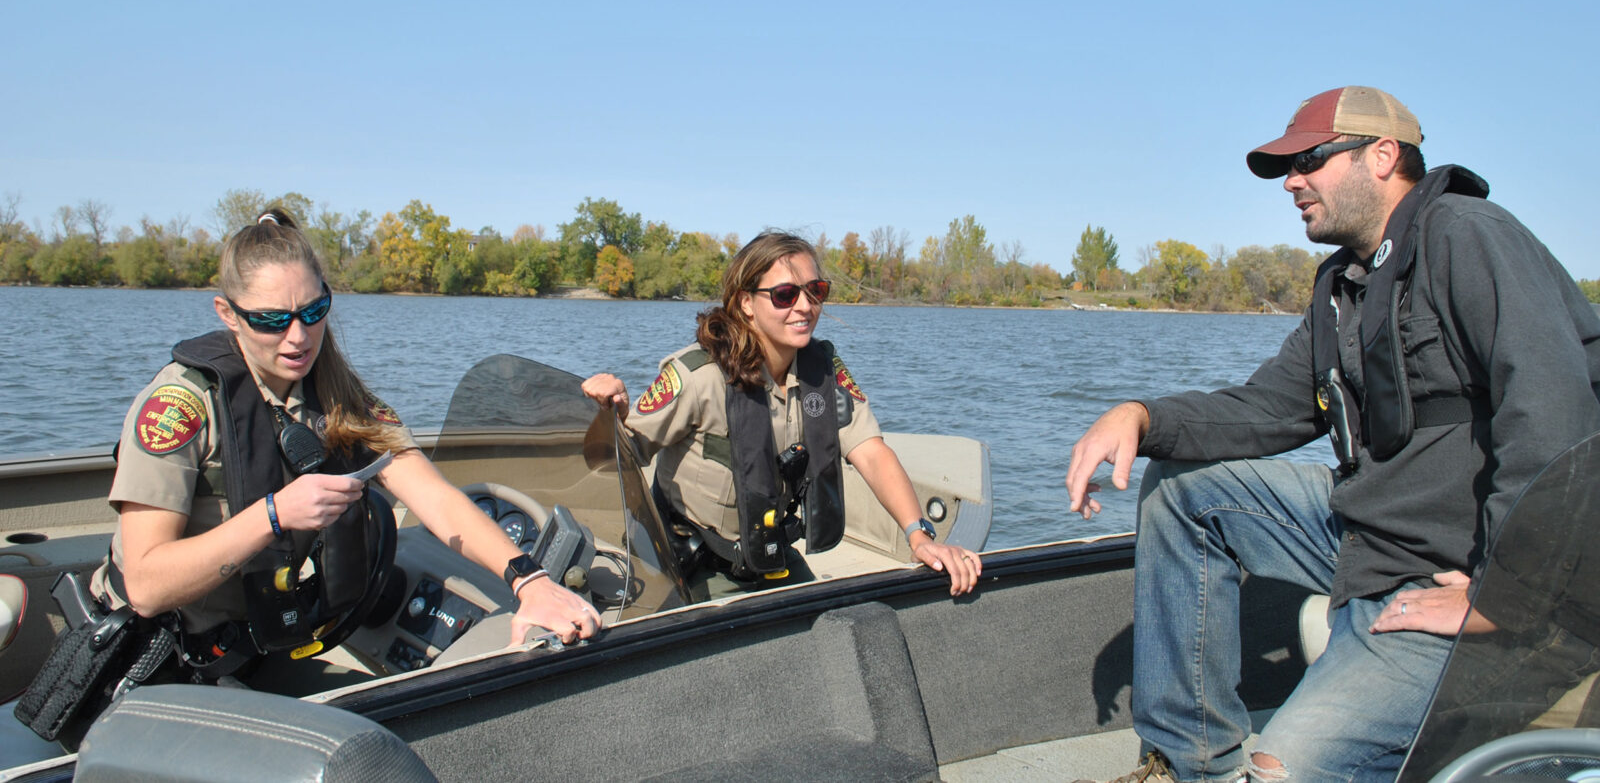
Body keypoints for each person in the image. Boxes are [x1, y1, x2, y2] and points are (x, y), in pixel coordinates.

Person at [1062, 86, 1600, 783]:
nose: (1292, 181)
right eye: (1288, 167)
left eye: (1310, 159)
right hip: (1370, 542)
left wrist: (1503, 594)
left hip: (1467, 578)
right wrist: (1140, 415)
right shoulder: (1345, 285)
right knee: (1185, 488)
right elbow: (1264, 409)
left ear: (1383, 156)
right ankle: (1187, 761)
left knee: (1283, 769)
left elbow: (1554, 413)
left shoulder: (1468, 234)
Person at [90, 209, 600, 687]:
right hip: (153, 663)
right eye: (271, 321)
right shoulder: (177, 407)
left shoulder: (340, 399)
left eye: (314, 312)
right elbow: (147, 586)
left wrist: (528, 581)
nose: (297, 337)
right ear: (227, 313)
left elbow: (436, 498)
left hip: (254, 655)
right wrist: (274, 515)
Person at [582, 230, 981, 601]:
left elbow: (871, 452)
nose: (805, 307)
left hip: (769, 554)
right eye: (786, 294)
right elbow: (612, 458)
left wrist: (920, 535)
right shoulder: (698, 376)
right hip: (690, 562)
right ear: (745, 304)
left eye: (816, 291)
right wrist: (609, 416)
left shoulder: (822, 373)